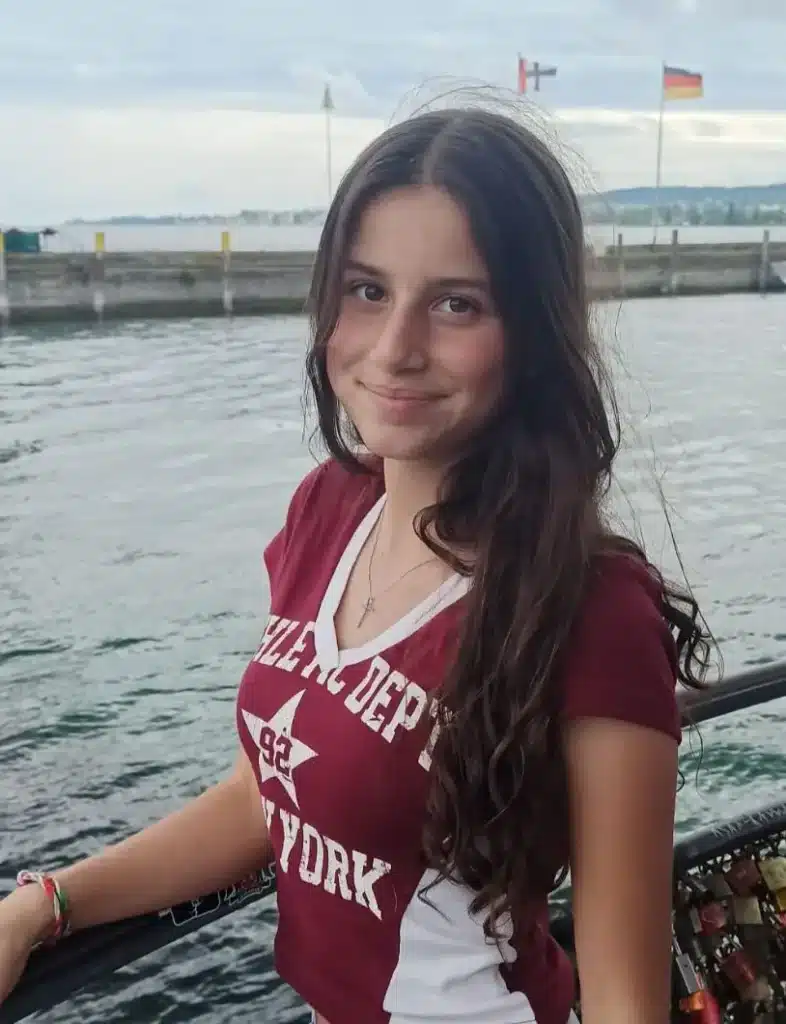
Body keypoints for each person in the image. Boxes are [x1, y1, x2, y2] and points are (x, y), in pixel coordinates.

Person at [0, 104, 710, 1024]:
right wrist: (46, 905)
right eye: (368, 290)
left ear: (532, 333)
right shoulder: (327, 511)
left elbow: (623, 997)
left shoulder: (592, 607)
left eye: (457, 304)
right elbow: (267, 795)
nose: (394, 349)